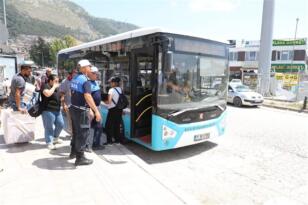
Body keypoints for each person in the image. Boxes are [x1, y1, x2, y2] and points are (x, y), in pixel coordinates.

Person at [69, 59, 102, 166]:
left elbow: (71, 93)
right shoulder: (85, 80)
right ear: (83, 68)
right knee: (83, 133)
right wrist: (96, 111)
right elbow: (88, 96)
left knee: (76, 132)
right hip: (81, 110)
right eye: (89, 66)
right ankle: (80, 158)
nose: (90, 68)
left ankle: (73, 152)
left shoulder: (75, 78)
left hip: (73, 108)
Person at [41, 74, 64, 150]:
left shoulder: (57, 87)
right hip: (48, 110)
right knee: (49, 127)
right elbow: (47, 94)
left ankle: (55, 138)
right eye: (55, 81)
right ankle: (49, 142)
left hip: (57, 110)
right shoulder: (45, 86)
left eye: (58, 81)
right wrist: (54, 87)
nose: (57, 83)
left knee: (61, 124)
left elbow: (60, 96)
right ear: (50, 81)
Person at [86, 66, 105, 151]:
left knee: (99, 126)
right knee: (87, 128)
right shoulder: (87, 83)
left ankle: (96, 144)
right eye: (94, 73)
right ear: (90, 74)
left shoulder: (95, 82)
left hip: (97, 107)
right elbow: (86, 97)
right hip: (90, 108)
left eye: (97, 73)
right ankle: (86, 146)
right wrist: (89, 109)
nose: (96, 75)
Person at [104, 76, 123, 145]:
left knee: (108, 126)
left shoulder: (111, 90)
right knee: (117, 125)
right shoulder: (120, 89)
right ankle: (117, 141)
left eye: (111, 82)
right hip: (119, 109)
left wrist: (103, 101)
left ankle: (109, 142)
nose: (110, 83)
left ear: (114, 83)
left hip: (112, 110)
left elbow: (108, 101)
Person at [59, 69, 77, 136]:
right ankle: (72, 134)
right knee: (71, 120)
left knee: (76, 120)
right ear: (71, 74)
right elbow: (62, 93)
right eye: (74, 73)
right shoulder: (65, 82)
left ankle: (74, 133)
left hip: (76, 104)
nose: (75, 75)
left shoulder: (76, 81)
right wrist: (64, 105)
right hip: (69, 104)